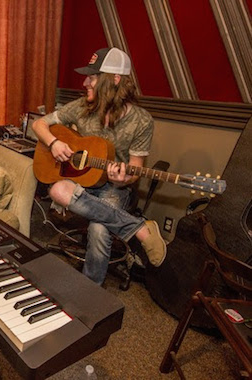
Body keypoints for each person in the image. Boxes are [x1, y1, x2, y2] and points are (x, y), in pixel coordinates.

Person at [32, 47, 167, 285]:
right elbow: (39, 124)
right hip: (81, 183)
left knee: (99, 229)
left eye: (92, 77)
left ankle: (89, 290)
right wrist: (53, 143)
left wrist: (121, 179)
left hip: (114, 188)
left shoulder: (141, 120)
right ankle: (138, 229)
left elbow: (135, 170)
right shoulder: (82, 107)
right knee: (56, 190)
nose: (85, 82)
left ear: (114, 80)